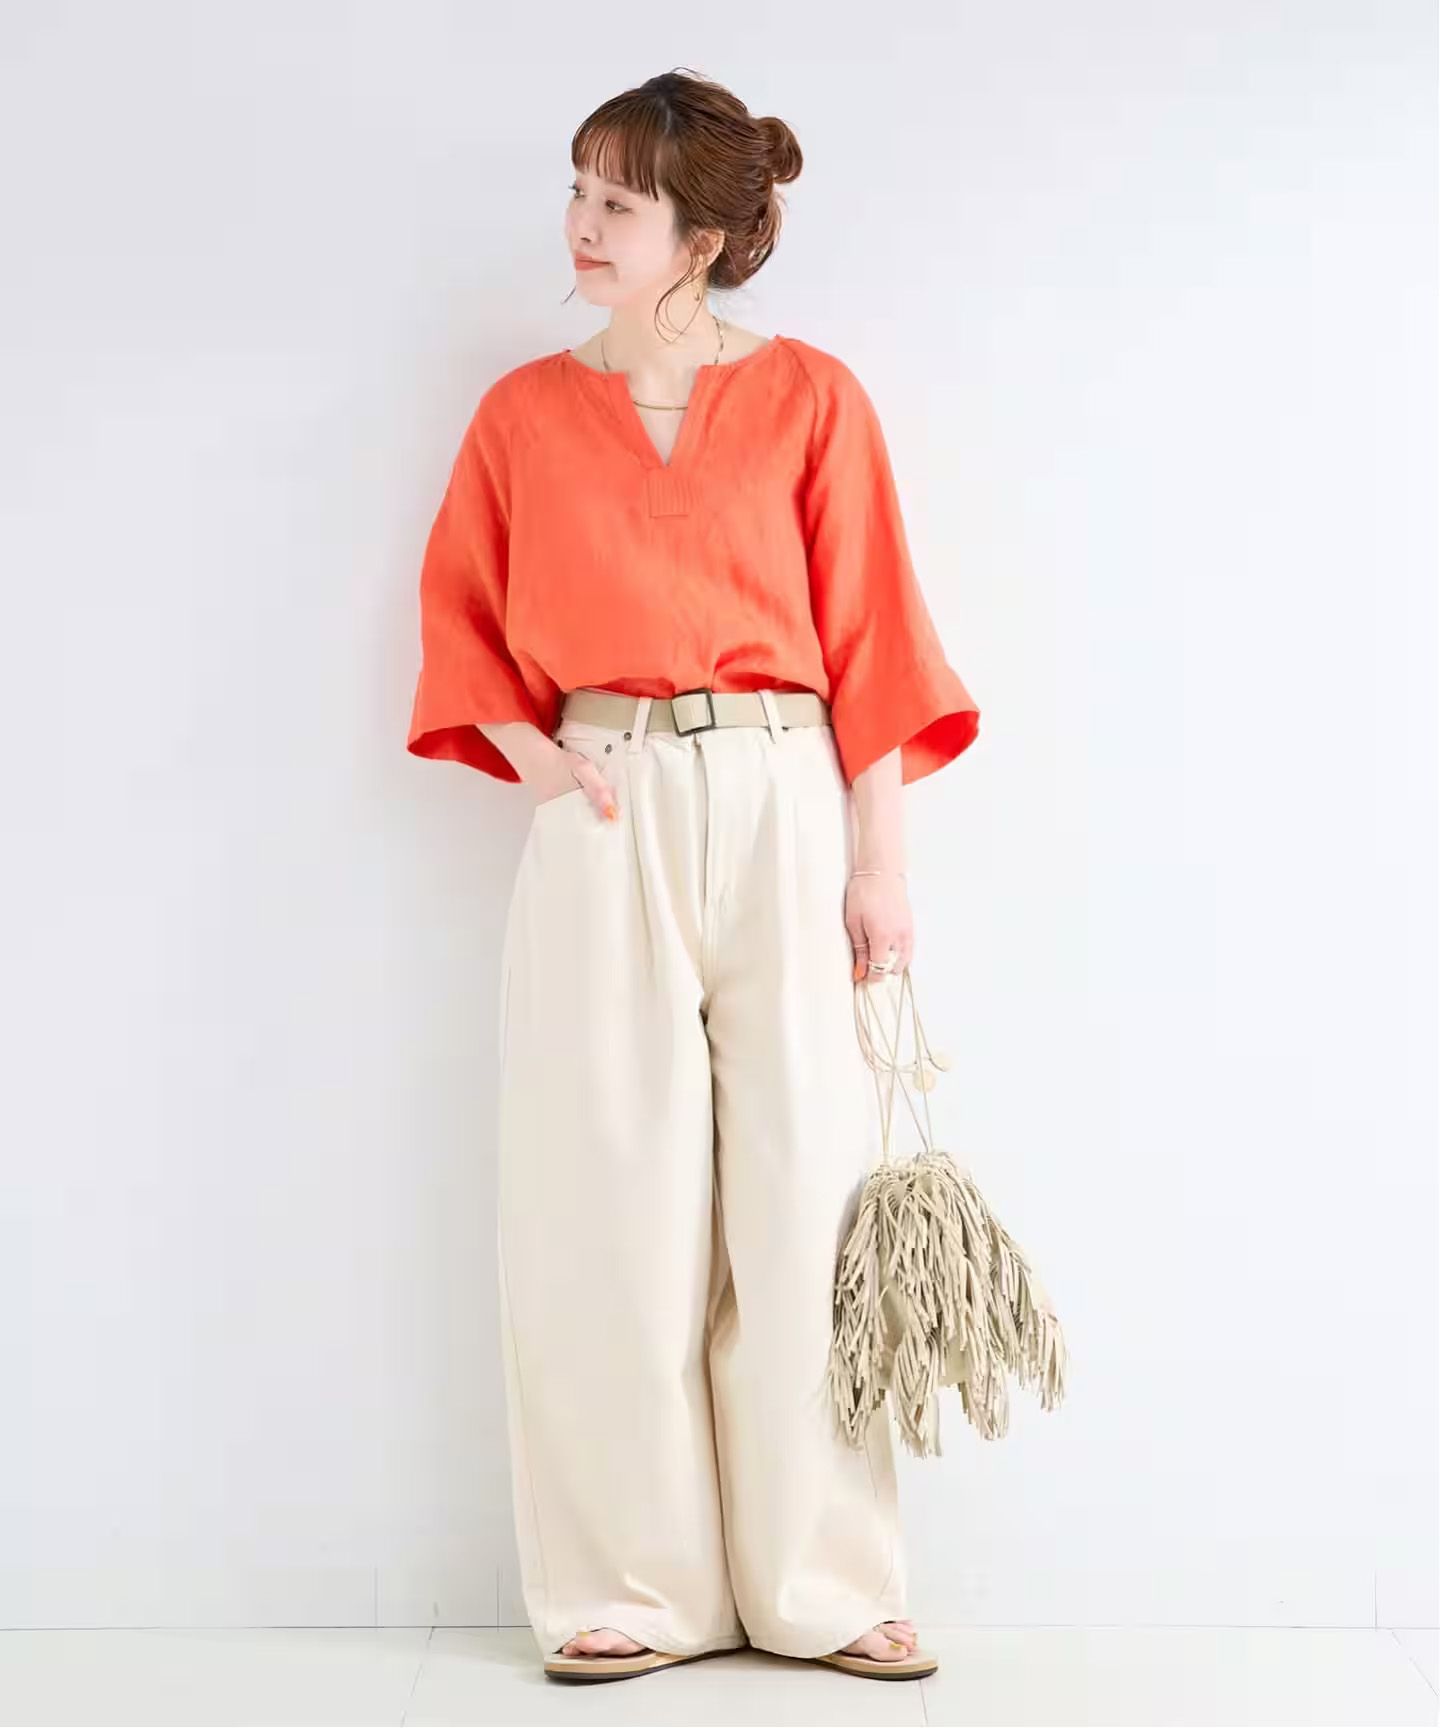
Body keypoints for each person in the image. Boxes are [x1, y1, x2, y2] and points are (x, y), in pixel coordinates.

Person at [405, 69, 980, 1684]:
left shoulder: (812, 401)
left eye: (620, 203)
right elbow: (462, 622)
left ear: (707, 240)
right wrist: (547, 766)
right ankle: (629, 1585)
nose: (581, 226)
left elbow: (873, 638)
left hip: (786, 792)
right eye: (578, 192)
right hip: (606, 798)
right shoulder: (522, 414)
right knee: (606, 1190)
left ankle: (826, 1582)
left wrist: (880, 863)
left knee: (807, 1190)